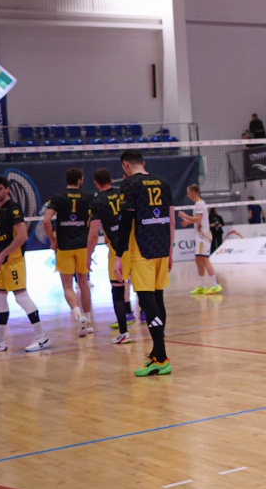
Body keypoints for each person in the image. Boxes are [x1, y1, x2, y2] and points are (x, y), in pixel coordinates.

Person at [112, 150, 174, 377]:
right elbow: (171, 219)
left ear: (125, 165)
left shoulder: (129, 184)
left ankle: (162, 358)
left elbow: (125, 221)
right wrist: (170, 249)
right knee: (158, 299)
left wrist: (119, 255)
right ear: (143, 163)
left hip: (142, 249)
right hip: (161, 246)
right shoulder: (163, 183)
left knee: (148, 302)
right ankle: (157, 354)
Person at [0, 175, 50, 353]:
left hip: (14, 260)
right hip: (3, 261)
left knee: (21, 297)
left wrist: (2, 255)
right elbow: (4, 239)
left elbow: (22, 236)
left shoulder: (13, 209)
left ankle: (42, 337)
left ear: (7, 189)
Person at [42, 168, 94, 337]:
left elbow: (46, 220)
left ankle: (78, 315)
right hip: (83, 246)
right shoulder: (87, 197)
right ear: (80, 180)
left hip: (64, 247)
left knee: (67, 286)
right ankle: (88, 321)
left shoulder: (58, 197)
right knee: (84, 283)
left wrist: (52, 240)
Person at [88, 168, 132, 344]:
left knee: (117, 291)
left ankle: (124, 332)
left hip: (117, 250)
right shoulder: (122, 193)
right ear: (112, 180)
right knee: (143, 288)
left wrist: (88, 255)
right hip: (134, 245)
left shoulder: (97, 201)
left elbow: (93, 234)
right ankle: (154, 326)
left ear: (95, 183)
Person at [179, 184, 221, 295]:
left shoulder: (199, 204)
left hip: (203, 237)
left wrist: (185, 216)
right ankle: (201, 286)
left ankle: (215, 285)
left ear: (193, 192)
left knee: (204, 260)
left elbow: (198, 219)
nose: (188, 196)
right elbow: (199, 220)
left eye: (188, 193)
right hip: (200, 237)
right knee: (198, 260)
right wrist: (188, 222)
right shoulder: (198, 204)